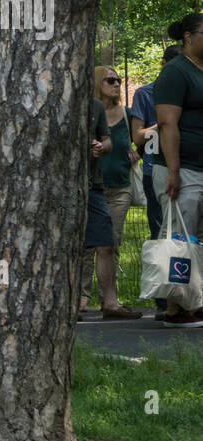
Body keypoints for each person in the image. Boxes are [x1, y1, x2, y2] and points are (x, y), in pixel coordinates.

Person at [153, 12, 203, 327]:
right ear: (188, 36)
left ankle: (194, 301)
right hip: (182, 169)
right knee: (180, 241)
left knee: (196, 240)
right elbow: (168, 124)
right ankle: (176, 309)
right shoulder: (175, 72)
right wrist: (174, 170)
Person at [130, 44, 183, 320]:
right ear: (164, 65)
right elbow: (138, 137)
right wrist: (163, 122)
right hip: (155, 172)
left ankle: (189, 296)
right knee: (162, 234)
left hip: (190, 168)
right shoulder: (145, 93)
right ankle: (164, 300)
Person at [80, 66, 137, 314]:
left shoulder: (122, 113)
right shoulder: (85, 107)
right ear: (96, 83)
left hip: (115, 187)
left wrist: (102, 147)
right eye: (110, 80)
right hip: (84, 186)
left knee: (109, 242)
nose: (116, 84)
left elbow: (112, 140)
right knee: (83, 245)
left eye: (118, 80)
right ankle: (80, 298)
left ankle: (109, 301)